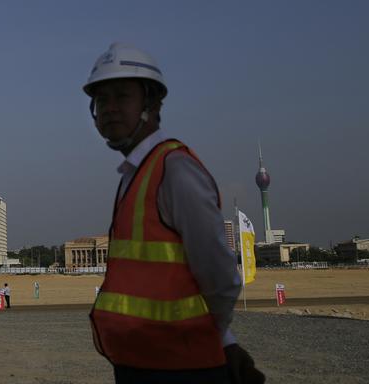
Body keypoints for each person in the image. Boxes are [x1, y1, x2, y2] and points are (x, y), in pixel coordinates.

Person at [82, 43, 265, 384]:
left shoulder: (175, 170)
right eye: (101, 100)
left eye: (122, 97)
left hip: (181, 368)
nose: (109, 109)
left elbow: (219, 274)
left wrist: (220, 341)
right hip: (140, 364)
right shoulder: (133, 175)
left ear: (151, 104)